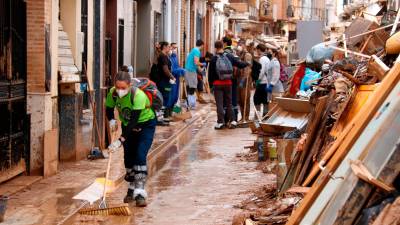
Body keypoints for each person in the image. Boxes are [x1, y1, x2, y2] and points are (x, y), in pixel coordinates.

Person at [106, 71, 157, 207]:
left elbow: (134, 120)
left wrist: (120, 140)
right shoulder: (113, 93)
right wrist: (111, 120)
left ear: (129, 86)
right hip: (127, 125)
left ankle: (140, 193)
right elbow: (109, 108)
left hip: (145, 125)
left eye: (123, 88)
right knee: (128, 158)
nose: (120, 90)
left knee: (140, 156)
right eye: (117, 87)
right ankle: (131, 187)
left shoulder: (138, 96)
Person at [222, 36, 249, 126]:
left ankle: (226, 119)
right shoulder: (234, 54)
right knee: (233, 100)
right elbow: (240, 65)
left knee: (225, 100)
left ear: (225, 43)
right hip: (233, 80)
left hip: (223, 80)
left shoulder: (222, 54)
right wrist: (246, 64)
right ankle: (234, 118)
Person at [208, 41, 234, 129]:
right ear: (223, 46)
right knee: (229, 103)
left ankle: (221, 122)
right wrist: (247, 64)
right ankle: (231, 121)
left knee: (219, 104)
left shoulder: (213, 59)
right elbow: (238, 64)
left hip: (217, 84)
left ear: (215, 48)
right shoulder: (229, 56)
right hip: (228, 83)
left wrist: (211, 85)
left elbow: (210, 74)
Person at [156, 42, 176, 121]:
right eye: (168, 46)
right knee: (165, 97)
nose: (170, 48)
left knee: (165, 97)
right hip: (164, 81)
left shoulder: (164, 56)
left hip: (164, 81)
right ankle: (163, 116)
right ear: (164, 47)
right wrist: (172, 77)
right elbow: (166, 70)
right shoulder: (163, 57)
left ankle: (163, 116)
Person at [185, 39, 205, 109]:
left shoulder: (193, 50)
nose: (203, 48)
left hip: (187, 70)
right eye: (203, 46)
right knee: (192, 86)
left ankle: (188, 103)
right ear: (202, 45)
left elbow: (195, 64)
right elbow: (196, 62)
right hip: (191, 71)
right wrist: (203, 64)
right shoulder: (197, 51)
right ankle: (191, 104)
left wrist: (200, 70)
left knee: (189, 86)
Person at [253, 43, 270, 117]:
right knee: (265, 100)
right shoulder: (267, 59)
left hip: (262, 83)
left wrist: (257, 81)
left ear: (259, 50)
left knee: (257, 99)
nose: (257, 52)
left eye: (257, 50)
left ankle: (257, 116)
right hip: (266, 82)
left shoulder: (262, 59)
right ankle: (265, 115)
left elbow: (261, 71)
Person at [238, 45, 253, 122]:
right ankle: (242, 116)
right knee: (240, 100)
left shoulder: (248, 55)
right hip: (239, 79)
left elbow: (248, 68)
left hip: (245, 80)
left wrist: (243, 79)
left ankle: (246, 117)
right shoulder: (240, 55)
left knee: (245, 99)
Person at [169, 43, 185, 109]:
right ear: (170, 48)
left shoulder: (175, 57)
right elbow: (171, 70)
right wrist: (180, 70)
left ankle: (176, 112)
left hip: (177, 78)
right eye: (174, 48)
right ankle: (168, 113)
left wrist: (181, 71)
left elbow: (177, 67)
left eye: (176, 48)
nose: (175, 49)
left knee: (176, 96)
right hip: (172, 79)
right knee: (171, 96)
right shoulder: (169, 57)